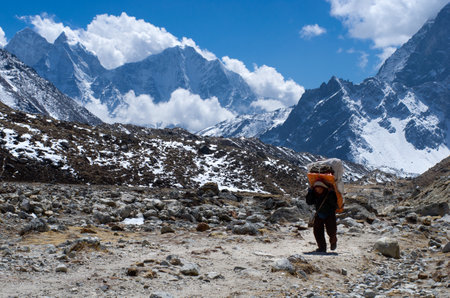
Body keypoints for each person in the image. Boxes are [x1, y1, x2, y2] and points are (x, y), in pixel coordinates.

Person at [306, 180, 338, 253]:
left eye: (319, 188)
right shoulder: (314, 193)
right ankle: (322, 248)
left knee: (331, 231)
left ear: (324, 188)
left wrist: (331, 193)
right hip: (319, 214)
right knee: (317, 232)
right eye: (316, 188)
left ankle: (333, 242)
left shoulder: (330, 193)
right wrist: (310, 192)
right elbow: (309, 202)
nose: (318, 190)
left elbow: (334, 203)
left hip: (330, 214)